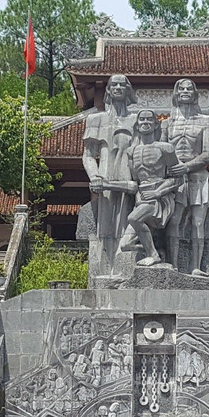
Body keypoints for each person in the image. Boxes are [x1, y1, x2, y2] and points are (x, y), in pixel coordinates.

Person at [98, 110, 185, 267]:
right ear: (137, 125)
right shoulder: (131, 151)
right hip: (142, 199)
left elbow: (179, 178)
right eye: (142, 120)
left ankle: (154, 255)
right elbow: (135, 184)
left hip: (160, 198)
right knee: (125, 245)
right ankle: (156, 250)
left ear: (156, 124)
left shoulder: (166, 148)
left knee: (133, 218)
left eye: (149, 120)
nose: (145, 122)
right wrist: (106, 184)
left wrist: (158, 192)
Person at [82, 75, 137, 275]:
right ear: (108, 90)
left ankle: (125, 271)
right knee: (104, 227)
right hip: (104, 175)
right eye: (114, 84)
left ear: (128, 89)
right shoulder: (96, 119)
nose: (118, 87)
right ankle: (104, 271)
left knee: (127, 223)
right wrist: (94, 176)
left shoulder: (136, 120)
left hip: (129, 175)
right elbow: (88, 155)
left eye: (123, 84)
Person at [162, 78, 209, 276]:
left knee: (198, 223)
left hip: (198, 176)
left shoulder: (206, 121)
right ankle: (173, 265)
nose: (185, 91)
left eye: (189, 89)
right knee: (174, 220)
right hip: (174, 178)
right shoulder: (167, 124)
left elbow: (208, 153)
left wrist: (187, 167)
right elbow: (160, 150)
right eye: (181, 88)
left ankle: (196, 266)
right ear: (176, 94)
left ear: (195, 94)